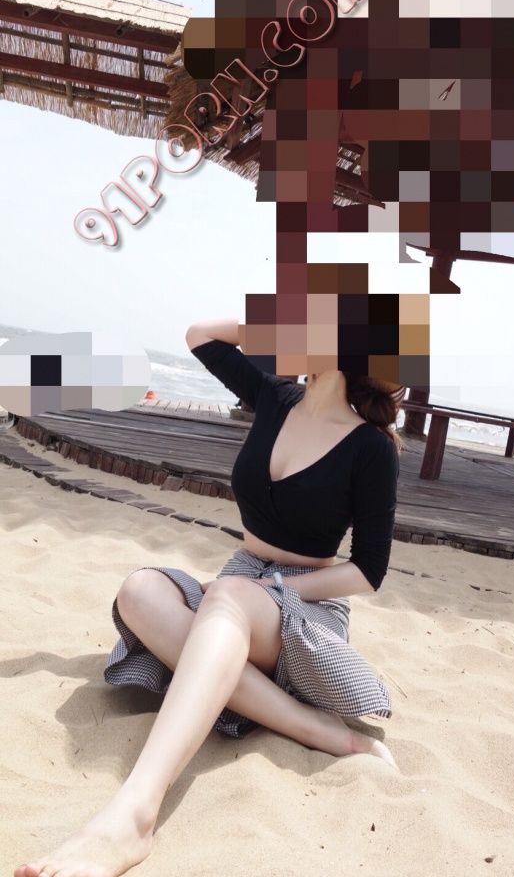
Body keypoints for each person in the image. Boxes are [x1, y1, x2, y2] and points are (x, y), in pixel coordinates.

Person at [14, 318, 404, 877]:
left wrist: (275, 588)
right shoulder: (273, 397)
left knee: (228, 598)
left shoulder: (371, 447)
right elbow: (200, 337)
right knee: (140, 590)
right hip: (239, 583)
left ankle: (134, 815)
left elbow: (368, 571)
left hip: (308, 602)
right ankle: (311, 727)